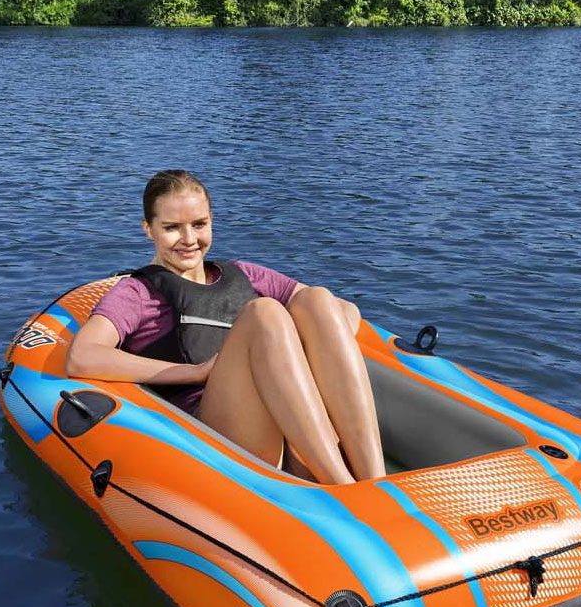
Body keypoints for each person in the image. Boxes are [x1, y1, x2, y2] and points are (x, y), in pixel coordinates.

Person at [65, 170, 385, 485]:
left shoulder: (245, 274)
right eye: (172, 227)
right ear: (148, 228)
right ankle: (343, 488)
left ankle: (375, 479)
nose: (189, 239)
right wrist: (194, 372)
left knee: (316, 298)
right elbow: (82, 356)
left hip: (289, 424)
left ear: (212, 221)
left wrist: (297, 359)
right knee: (264, 313)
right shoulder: (136, 293)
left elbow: (344, 311)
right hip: (215, 434)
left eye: (199, 224)